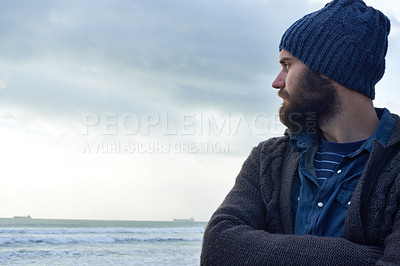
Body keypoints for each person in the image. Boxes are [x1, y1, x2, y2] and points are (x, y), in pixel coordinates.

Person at [201, 0, 400, 265]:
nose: (276, 82)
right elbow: (219, 247)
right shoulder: (268, 159)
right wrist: (367, 257)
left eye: (287, 65)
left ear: (328, 70)